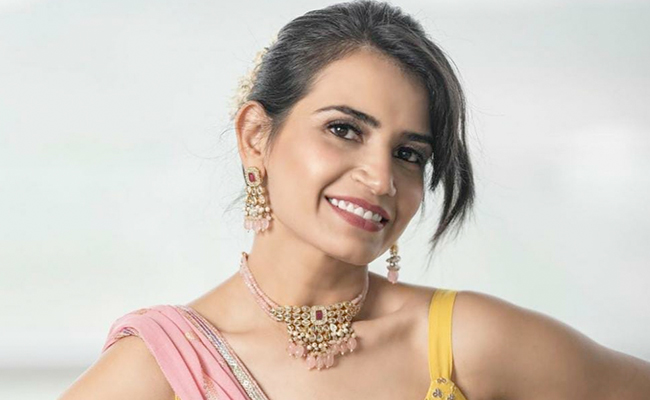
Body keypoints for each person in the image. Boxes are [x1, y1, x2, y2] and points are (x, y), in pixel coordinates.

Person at [58, 1, 650, 399]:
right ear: (256, 136)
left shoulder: (462, 343)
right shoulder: (162, 369)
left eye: (409, 154)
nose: (381, 177)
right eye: (343, 129)